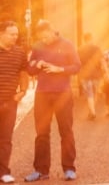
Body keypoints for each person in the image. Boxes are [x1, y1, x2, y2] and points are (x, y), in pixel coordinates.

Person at [25, 20, 81, 182]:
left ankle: (69, 169)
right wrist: (37, 63)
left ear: (52, 30)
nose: (44, 40)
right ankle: (41, 170)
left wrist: (60, 69)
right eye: (41, 38)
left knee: (66, 132)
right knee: (41, 134)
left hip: (63, 94)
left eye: (46, 37)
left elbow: (77, 66)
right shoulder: (37, 47)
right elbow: (29, 69)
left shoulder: (67, 44)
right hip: (42, 94)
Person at [0, 20, 30, 184]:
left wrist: (23, 91)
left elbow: (24, 72)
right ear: (1, 33)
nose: (15, 37)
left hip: (10, 103)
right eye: (12, 34)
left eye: (16, 34)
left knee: (5, 139)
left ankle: (3, 172)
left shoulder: (19, 52)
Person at [76, 33, 102, 120]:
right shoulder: (97, 48)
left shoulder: (80, 49)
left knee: (89, 94)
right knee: (95, 93)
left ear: (84, 39)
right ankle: (92, 111)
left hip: (85, 74)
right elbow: (101, 60)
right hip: (97, 74)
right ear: (91, 38)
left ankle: (92, 112)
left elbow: (77, 62)